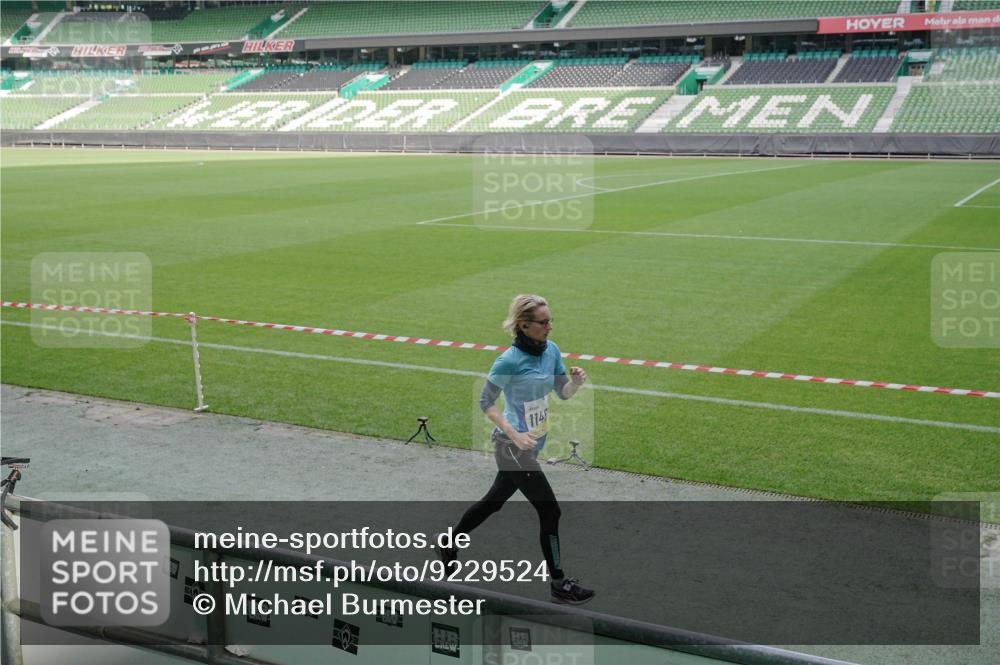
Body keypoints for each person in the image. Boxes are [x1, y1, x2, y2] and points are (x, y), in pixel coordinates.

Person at [438, 294, 594, 604]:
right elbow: (486, 401)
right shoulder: (508, 360)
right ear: (524, 325)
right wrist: (514, 433)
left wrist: (575, 383)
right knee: (550, 510)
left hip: (534, 443)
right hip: (511, 446)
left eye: (551, 320)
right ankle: (558, 583)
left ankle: (449, 541)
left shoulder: (552, 351)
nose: (550, 326)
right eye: (544, 322)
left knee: (494, 501)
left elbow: (562, 393)